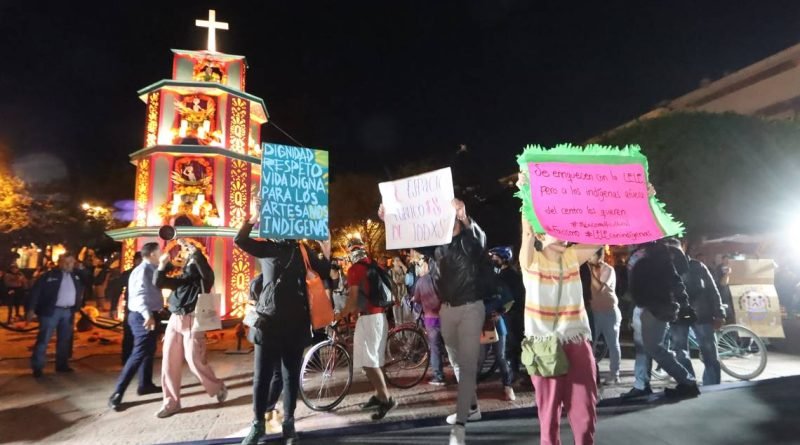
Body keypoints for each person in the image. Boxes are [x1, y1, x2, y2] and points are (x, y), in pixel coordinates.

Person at [380, 198, 486, 445]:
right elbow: (410, 239)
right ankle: (472, 407)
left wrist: (465, 216)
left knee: (467, 360)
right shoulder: (437, 246)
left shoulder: (469, 241)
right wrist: (390, 220)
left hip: (470, 306)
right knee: (458, 363)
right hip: (446, 309)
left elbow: (480, 242)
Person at [236, 201, 331, 445]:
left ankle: (289, 422)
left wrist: (326, 248)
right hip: (268, 323)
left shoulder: (302, 250)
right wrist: (254, 217)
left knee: (290, 377)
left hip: (296, 323)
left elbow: (322, 271)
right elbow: (240, 241)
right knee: (262, 377)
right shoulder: (268, 248)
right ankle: (258, 424)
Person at [519, 213, 601, 445]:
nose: (564, 233)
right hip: (544, 347)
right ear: (541, 234)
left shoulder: (572, 257)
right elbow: (526, 232)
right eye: (556, 228)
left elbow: (602, 236)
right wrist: (526, 198)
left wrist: (638, 200)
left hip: (577, 343)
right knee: (549, 420)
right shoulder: (531, 261)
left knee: (586, 416)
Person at [154, 240, 228, 418]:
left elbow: (208, 274)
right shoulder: (182, 279)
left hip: (194, 320)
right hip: (175, 320)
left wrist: (196, 253)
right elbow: (159, 282)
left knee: (194, 360)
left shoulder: (202, 280)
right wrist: (162, 265)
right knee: (169, 362)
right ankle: (171, 403)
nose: (186, 257)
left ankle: (217, 386)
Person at [622, 242, 700, 399]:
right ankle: (641, 384)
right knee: (642, 348)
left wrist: (683, 304)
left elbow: (676, 281)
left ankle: (687, 381)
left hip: (655, 307)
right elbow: (633, 285)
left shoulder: (658, 255)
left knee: (653, 348)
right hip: (644, 306)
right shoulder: (638, 256)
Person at [340, 238, 398, 420]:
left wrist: (339, 315)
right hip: (378, 318)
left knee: (370, 363)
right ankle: (379, 395)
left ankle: (387, 399)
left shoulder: (354, 270)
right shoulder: (373, 265)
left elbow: (353, 298)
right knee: (371, 361)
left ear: (351, 252)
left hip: (370, 319)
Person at [663, 239, 726, 386]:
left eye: (674, 249)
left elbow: (713, 290)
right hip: (678, 316)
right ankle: (688, 382)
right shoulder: (665, 269)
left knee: (709, 351)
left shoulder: (697, 266)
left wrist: (719, 313)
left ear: (683, 247)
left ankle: (712, 385)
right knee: (680, 351)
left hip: (701, 315)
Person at [108, 243, 163, 410]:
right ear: (152, 254)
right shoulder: (143, 271)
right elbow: (139, 295)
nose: (161, 254)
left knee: (149, 349)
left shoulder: (151, 268)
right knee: (139, 353)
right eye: (159, 252)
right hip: (142, 316)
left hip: (150, 314)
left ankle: (145, 384)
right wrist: (148, 315)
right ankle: (117, 393)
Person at [28, 253, 88, 377]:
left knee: (64, 340)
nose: (68, 265)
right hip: (50, 311)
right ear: (59, 263)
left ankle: (62, 365)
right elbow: (36, 292)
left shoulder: (76, 276)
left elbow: (89, 280)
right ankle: (38, 367)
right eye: (65, 262)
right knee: (44, 339)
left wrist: (81, 269)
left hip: (68, 311)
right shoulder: (48, 276)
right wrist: (31, 309)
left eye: (71, 262)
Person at [482, 248, 516, 401]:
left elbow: (510, 300)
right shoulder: (476, 286)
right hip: (481, 325)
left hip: (497, 326)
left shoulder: (499, 283)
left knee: (500, 356)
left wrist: (500, 313)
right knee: (479, 358)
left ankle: (508, 386)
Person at [489, 246, 525, 385]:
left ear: (504, 258)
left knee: (512, 346)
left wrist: (502, 310)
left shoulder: (511, 276)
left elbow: (514, 298)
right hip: (504, 315)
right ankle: (511, 372)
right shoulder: (499, 274)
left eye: (495, 257)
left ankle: (514, 373)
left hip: (511, 315)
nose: (493, 259)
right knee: (507, 347)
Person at [587, 249, 622, 384]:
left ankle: (615, 373)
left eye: (591, 255)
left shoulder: (608, 270)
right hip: (594, 312)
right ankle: (591, 372)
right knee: (591, 343)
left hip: (609, 311)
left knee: (613, 343)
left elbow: (599, 288)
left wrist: (590, 272)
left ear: (599, 255)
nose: (589, 258)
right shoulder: (586, 270)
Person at [410, 256, 446, 386]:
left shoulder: (421, 281)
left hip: (431, 319)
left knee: (435, 347)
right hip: (447, 317)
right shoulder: (444, 279)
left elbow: (417, 299)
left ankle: (438, 376)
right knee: (451, 346)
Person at [390, 256, 409, 325]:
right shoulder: (391, 271)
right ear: (393, 262)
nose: (398, 262)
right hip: (396, 294)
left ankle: (406, 332)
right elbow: (395, 281)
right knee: (397, 316)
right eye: (396, 260)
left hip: (404, 293)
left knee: (405, 314)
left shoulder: (403, 269)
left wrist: (402, 265)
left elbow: (408, 276)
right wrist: (403, 279)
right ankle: (399, 334)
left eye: (399, 260)